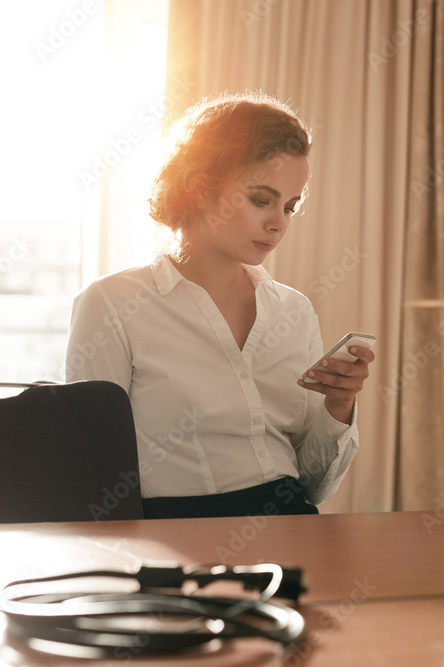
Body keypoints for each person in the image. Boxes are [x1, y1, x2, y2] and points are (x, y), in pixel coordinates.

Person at [65, 91, 374, 519]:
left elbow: (314, 487)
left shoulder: (293, 311)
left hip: (293, 527)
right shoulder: (112, 304)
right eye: (261, 200)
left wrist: (339, 408)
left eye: (290, 206)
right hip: (176, 535)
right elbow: (92, 473)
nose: (279, 223)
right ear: (199, 188)